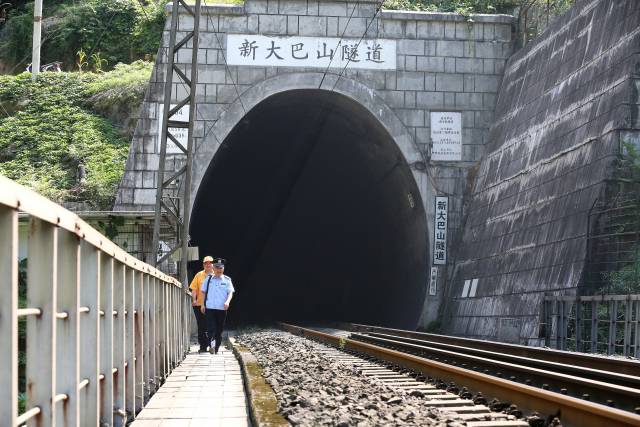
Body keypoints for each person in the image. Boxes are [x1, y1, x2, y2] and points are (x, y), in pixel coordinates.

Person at [200, 257, 234, 354]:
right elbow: (203, 292)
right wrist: (202, 305)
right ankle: (212, 347)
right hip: (210, 308)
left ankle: (216, 348)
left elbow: (230, 292)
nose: (219, 270)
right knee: (211, 328)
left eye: (221, 268)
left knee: (219, 330)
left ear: (223, 269)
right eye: (217, 268)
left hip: (221, 309)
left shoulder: (227, 280)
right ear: (213, 269)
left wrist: (227, 302)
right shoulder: (208, 279)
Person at [189, 255, 213, 353]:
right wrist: (194, 300)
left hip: (212, 305)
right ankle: (203, 346)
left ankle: (212, 345)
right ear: (203, 264)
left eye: (210, 263)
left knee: (211, 325)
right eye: (205, 263)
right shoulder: (199, 275)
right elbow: (194, 289)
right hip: (199, 304)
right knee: (201, 326)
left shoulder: (216, 275)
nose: (208, 265)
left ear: (213, 264)